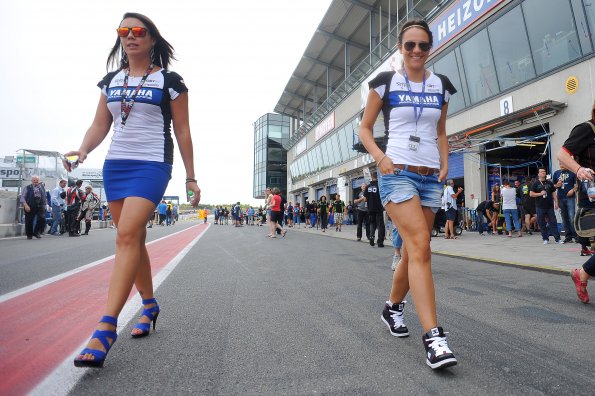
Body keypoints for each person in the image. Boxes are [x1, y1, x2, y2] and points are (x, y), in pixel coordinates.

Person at [67, 12, 200, 368]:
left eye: (138, 31)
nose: (130, 36)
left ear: (152, 39)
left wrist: (190, 177)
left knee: (126, 234)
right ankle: (150, 305)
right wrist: (83, 150)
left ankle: (106, 327)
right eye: (124, 31)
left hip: (152, 164)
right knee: (133, 238)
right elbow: (100, 124)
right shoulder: (110, 80)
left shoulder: (170, 82)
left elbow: (183, 131)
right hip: (116, 166)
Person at [359, 19, 458, 369]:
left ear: (431, 48)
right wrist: (381, 158)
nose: (416, 51)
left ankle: (392, 308)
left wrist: (445, 163)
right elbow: (365, 127)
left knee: (414, 251)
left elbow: (441, 131)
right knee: (420, 246)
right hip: (396, 172)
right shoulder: (386, 83)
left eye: (423, 45)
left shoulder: (441, 86)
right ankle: (434, 337)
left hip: (431, 177)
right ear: (400, 49)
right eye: (410, 45)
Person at [557, 103, 595, 303]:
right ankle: (582, 274)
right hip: (591, 198)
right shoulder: (586, 130)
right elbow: (562, 154)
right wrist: (579, 169)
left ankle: (581, 274)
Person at [530, 168, 561, 245]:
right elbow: (531, 194)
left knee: (553, 222)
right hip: (540, 206)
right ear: (538, 174)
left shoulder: (549, 183)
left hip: (550, 206)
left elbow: (554, 193)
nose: (543, 173)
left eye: (544, 171)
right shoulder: (535, 183)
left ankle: (557, 239)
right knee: (542, 223)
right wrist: (540, 194)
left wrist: (556, 202)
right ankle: (545, 238)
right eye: (541, 172)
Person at [553, 163, 577, 243]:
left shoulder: (572, 173)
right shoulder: (556, 173)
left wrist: (572, 190)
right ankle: (568, 236)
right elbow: (553, 186)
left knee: (572, 217)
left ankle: (576, 235)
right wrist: (557, 185)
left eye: (563, 164)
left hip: (570, 198)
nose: (561, 165)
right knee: (564, 218)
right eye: (560, 164)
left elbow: (577, 184)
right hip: (560, 198)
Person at [20, 175, 48, 239]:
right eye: (34, 181)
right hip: (30, 205)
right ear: (32, 181)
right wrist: (26, 205)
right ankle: (29, 234)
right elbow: (22, 197)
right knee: (29, 220)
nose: (36, 182)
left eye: (37, 181)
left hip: (40, 205)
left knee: (42, 219)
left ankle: (36, 232)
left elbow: (44, 196)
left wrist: (46, 204)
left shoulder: (41, 187)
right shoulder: (27, 187)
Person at [364, 171, 385, 247]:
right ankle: (380, 242)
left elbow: (365, 199)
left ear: (372, 177)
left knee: (372, 223)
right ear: (378, 177)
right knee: (380, 225)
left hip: (370, 208)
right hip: (378, 208)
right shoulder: (380, 186)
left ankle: (371, 236)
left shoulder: (367, 187)